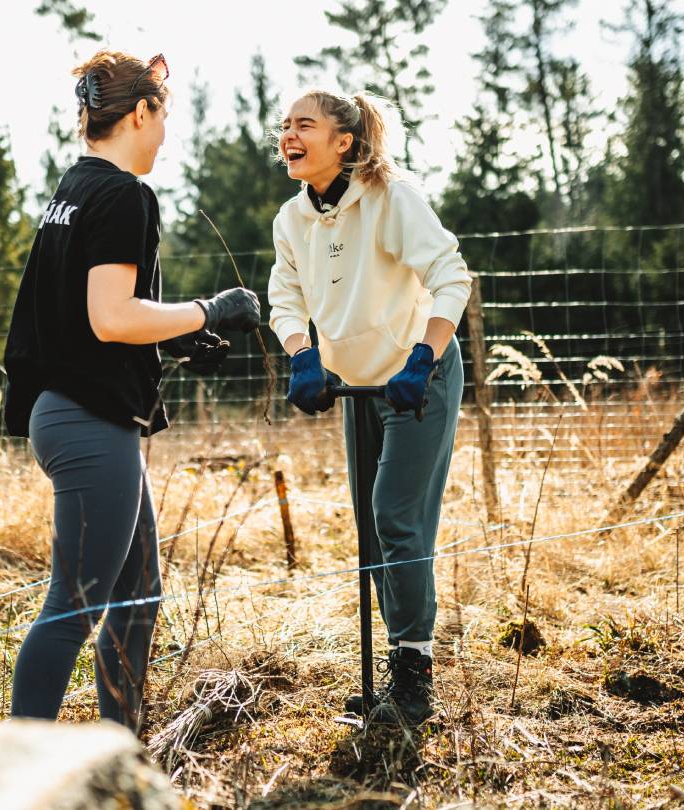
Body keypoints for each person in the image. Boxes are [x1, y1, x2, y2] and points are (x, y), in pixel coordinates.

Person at [3, 50, 260, 728]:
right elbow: (111, 316)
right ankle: (19, 770)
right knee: (74, 606)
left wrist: (171, 335)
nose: (164, 133)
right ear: (140, 112)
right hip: (90, 425)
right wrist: (211, 310)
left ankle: (120, 748)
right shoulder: (124, 195)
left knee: (139, 593)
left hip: (68, 412)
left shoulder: (75, 188)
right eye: (163, 116)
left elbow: (86, 315)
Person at [268, 90, 471, 725]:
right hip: (357, 388)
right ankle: (394, 671)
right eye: (285, 126)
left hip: (417, 382)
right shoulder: (292, 219)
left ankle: (415, 679)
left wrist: (424, 358)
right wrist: (302, 356)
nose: (289, 135)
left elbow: (452, 276)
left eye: (305, 125)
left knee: (396, 519)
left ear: (345, 142)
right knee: (369, 527)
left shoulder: (392, 198)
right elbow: (284, 298)